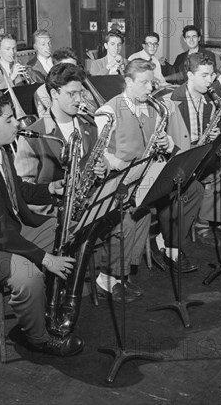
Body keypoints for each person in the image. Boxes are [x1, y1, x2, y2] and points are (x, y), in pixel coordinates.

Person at [0, 91, 84, 356]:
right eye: (9, 120)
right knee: (29, 277)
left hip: (4, 230)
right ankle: (38, 338)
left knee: (70, 227)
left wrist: (50, 189)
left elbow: (15, 188)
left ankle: (51, 308)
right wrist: (45, 258)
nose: (18, 123)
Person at [15, 63, 145, 303]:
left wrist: (102, 169)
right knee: (112, 224)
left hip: (86, 202)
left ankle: (108, 277)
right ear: (54, 93)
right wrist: (59, 205)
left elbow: (98, 165)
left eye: (81, 92)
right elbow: (24, 190)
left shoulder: (88, 125)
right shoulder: (33, 135)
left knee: (132, 216)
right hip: (56, 212)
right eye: (71, 93)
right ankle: (75, 286)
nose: (79, 99)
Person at [95, 59, 203, 273]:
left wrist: (168, 143)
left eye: (152, 82)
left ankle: (169, 244)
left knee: (194, 189)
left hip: (150, 173)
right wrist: (121, 163)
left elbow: (166, 139)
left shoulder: (155, 105)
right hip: (123, 178)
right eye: (144, 83)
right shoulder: (107, 111)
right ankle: (115, 274)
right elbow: (100, 152)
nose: (150, 88)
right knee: (138, 210)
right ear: (128, 81)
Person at [166, 53, 221, 243]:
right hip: (182, 159)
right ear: (189, 75)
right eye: (204, 75)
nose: (210, 80)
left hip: (202, 155)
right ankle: (203, 224)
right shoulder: (175, 100)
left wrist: (214, 136)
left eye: (212, 75)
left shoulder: (211, 100)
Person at [34, 47, 98, 118]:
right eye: (66, 69)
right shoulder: (42, 92)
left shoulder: (81, 85)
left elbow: (94, 109)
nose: (71, 72)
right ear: (55, 68)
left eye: (74, 67)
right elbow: (47, 120)